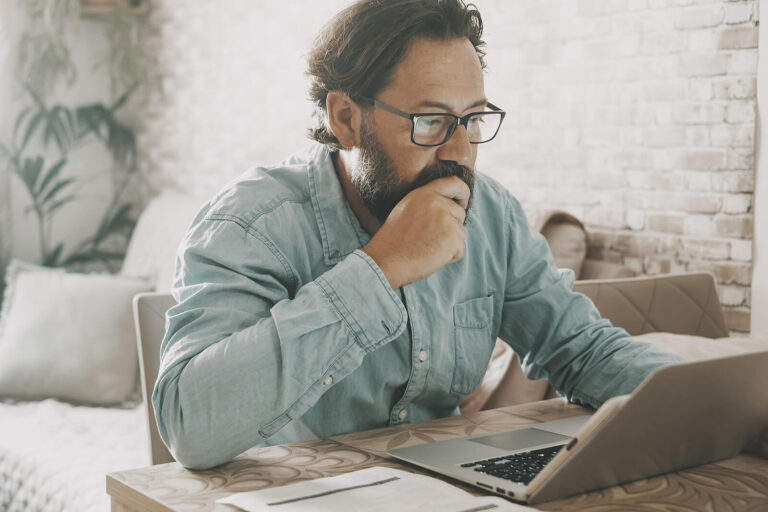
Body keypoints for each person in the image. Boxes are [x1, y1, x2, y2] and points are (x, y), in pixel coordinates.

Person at [151, 0, 759, 471]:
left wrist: (734, 411)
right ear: (345, 118)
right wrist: (379, 267)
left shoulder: (492, 215)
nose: (461, 151)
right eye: (430, 121)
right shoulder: (251, 224)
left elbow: (581, 350)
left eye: (472, 119)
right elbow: (189, 427)